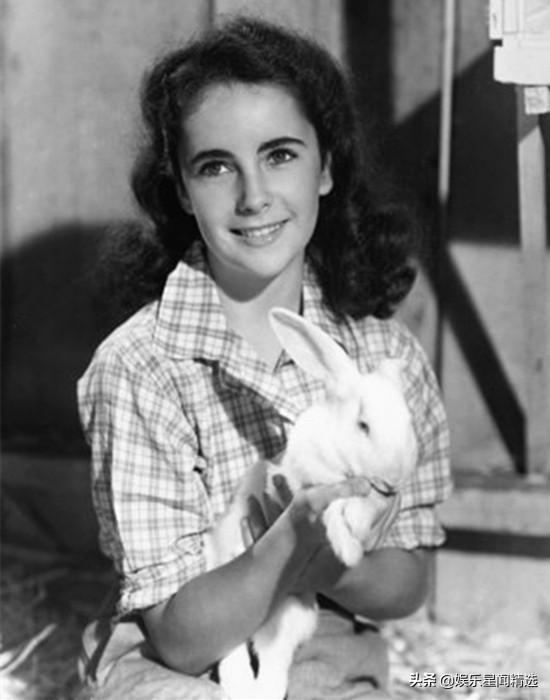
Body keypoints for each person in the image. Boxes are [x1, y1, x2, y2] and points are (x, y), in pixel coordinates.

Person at [77, 15, 452, 700]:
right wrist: (288, 541)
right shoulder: (139, 367)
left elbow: (407, 584)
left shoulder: (384, 357)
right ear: (182, 190)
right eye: (216, 166)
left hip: (320, 642)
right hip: (175, 654)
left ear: (326, 167)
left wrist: (329, 564)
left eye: (280, 155)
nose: (253, 197)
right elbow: (180, 641)